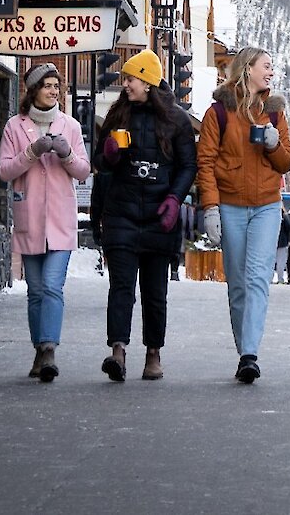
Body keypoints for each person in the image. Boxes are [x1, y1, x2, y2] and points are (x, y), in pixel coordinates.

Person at [93, 49, 197, 383]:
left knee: (155, 292)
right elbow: (101, 163)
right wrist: (109, 154)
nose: (125, 85)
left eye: (131, 79)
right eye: (124, 78)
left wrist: (174, 199)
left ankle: (153, 353)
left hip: (158, 217)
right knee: (121, 287)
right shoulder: (117, 114)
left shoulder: (177, 120)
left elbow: (187, 166)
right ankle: (118, 351)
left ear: (148, 82)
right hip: (122, 213)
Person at [195, 47, 290, 384]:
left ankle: (250, 354)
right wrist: (210, 208)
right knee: (237, 283)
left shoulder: (276, 113)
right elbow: (205, 163)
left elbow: (286, 163)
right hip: (231, 205)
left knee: (256, 279)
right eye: (266, 66)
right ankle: (244, 350)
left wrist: (272, 144)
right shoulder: (218, 113)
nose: (271, 72)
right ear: (248, 69)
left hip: (267, 205)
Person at [0, 63, 90, 383]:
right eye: (47, 85)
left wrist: (65, 155)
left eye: (56, 85)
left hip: (60, 222)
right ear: (33, 90)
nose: (53, 90)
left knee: (52, 286)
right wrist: (32, 152)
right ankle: (39, 350)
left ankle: (49, 348)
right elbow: (5, 171)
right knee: (35, 291)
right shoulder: (14, 127)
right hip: (30, 219)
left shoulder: (71, 126)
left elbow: (82, 171)